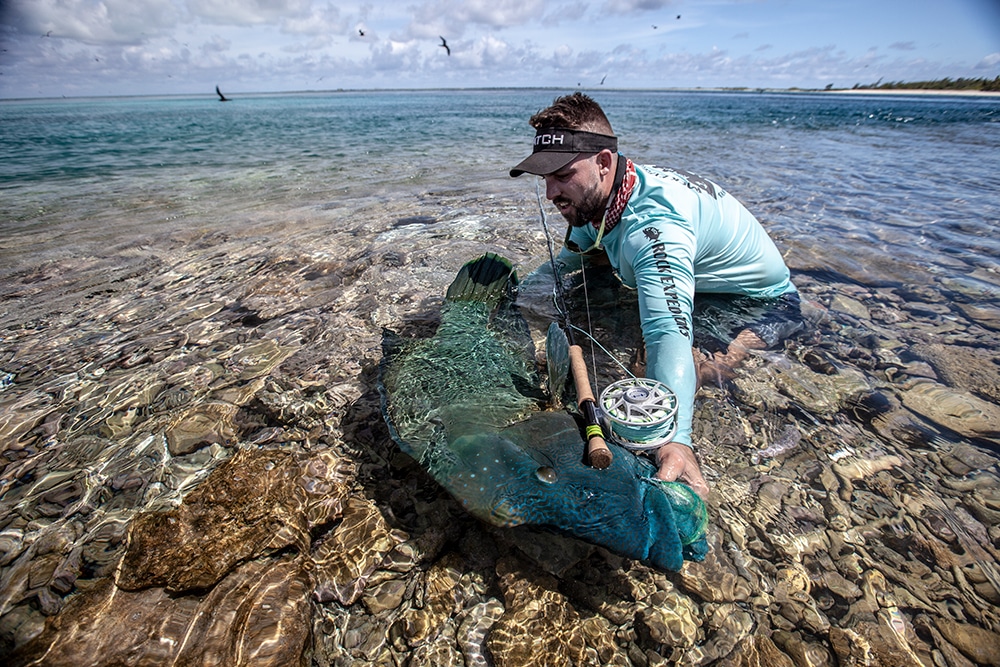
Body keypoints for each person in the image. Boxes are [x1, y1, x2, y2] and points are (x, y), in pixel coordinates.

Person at [510, 92, 801, 500]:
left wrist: (676, 437)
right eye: (545, 178)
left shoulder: (656, 227)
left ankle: (749, 352)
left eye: (562, 174)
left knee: (688, 368)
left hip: (758, 304)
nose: (550, 193)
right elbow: (567, 262)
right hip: (700, 285)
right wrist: (517, 294)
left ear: (604, 163)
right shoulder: (600, 199)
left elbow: (668, 330)